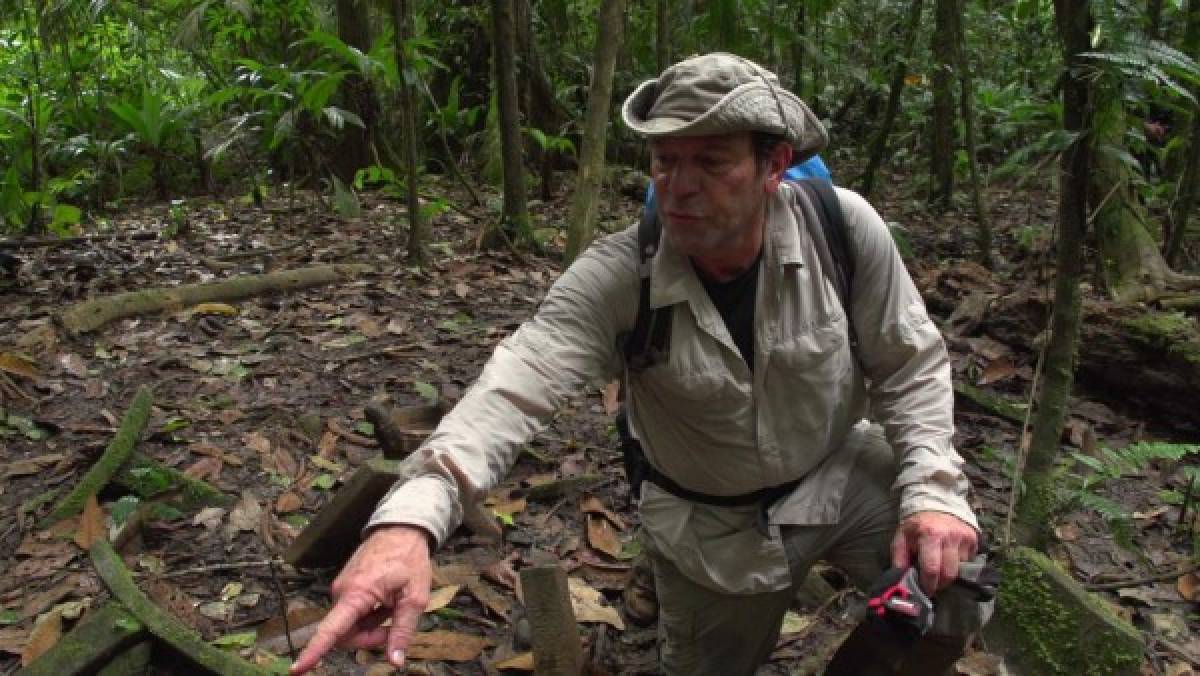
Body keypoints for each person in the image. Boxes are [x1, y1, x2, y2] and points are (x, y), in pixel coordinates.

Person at [290, 52, 990, 676]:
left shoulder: (843, 228)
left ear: (773, 166)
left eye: (710, 162)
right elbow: (511, 391)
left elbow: (909, 363)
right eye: (664, 161)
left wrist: (932, 491)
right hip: (714, 530)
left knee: (952, 593)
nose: (676, 187)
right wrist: (408, 525)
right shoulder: (619, 277)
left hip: (841, 475)